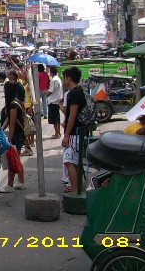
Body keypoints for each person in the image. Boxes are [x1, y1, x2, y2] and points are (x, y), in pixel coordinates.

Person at [0, 79, 26, 193]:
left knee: (12, 161)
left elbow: (13, 124)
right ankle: (21, 182)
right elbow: (8, 119)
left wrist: (9, 140)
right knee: (16, 160)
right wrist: (1, 129)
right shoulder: (18, 102)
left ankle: (10, 185)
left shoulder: (13, 105)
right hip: (20, 134)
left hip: (16, 136)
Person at [61, 66, 84, 194]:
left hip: (74, 134)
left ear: (69, 78)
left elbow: (72, 115)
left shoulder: (74, 93)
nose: (63, 80)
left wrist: (66, 135)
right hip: (76, 133)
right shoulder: (78, 91)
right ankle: (77, 189)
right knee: (74, 162)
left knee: (69, 162)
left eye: (64, 77)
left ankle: (75, 191)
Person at [47, 66, 63, 139]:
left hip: (53, 101)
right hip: (57, 100)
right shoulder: (58, 78)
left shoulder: (53, 80)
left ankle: (57, 133)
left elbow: (50, 91)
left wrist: (44, 95)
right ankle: (58, 133)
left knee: (54, 119)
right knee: (57, 118)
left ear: (51, 72)